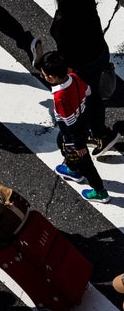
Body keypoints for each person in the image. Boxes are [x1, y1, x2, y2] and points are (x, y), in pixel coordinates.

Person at [47, 0, 120, 155]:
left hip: (82, 65)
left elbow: (66, 51)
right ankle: (100, 132)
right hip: (99, 53)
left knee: (88, 98)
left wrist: (67, 74)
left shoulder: (64, 19)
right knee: (94, 94)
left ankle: (101, 134)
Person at [40, 51, 110, 203]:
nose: (44, 77)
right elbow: (88, 92)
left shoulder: (60, 98)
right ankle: (73, 168)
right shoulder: (75, 78)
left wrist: (78, 144)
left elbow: (69, 122)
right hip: (83, 121)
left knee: (85, 162)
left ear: (51, 77)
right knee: (61, 142)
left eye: (44, 75)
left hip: (73, 132)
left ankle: (100, 191)